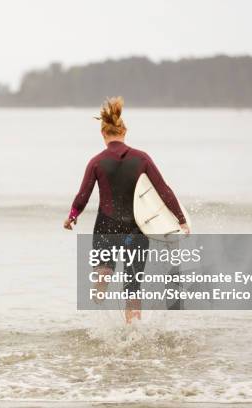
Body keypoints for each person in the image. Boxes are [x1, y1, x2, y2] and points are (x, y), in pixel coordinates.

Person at [63, 97, 188, 323]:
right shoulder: (141, 158)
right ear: (125, 131)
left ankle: (103, 276)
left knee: (103, 270)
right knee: (132, 285)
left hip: (106, 227)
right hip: (136, 230)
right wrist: (180, 220)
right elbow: (163, 190)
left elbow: (83, 194)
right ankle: (133, 328)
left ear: (103, 134)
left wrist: (72, 216)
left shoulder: (97, 162)